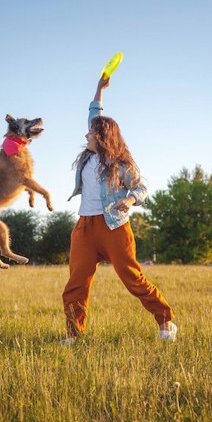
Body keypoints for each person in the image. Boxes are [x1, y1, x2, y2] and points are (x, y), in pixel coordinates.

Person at [61, 75, 177, 345]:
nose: (86, 134)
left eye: (91, 133)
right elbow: (94, 112)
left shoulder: (121, 165)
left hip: (114, 227)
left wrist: (130, 201)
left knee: (132, 278)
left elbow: (141, 188)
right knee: (76, 283)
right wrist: (99, 89)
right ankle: (73, 335)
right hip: (85, 228)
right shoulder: (88, 158)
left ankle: (165, 320)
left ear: (101, 137)